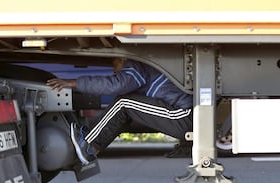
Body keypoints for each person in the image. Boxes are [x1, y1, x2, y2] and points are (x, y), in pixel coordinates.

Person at [47, 58, 193, 165]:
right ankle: (92, 148)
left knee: (124, 103)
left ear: (123, 58)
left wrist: (73, 83)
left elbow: (115, 85)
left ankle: (89, 145)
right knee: (125, 108)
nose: (114, 69)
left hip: (182, 115)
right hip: (183, 115)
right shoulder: (146, 69)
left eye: (114, 63)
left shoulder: (136, 66)